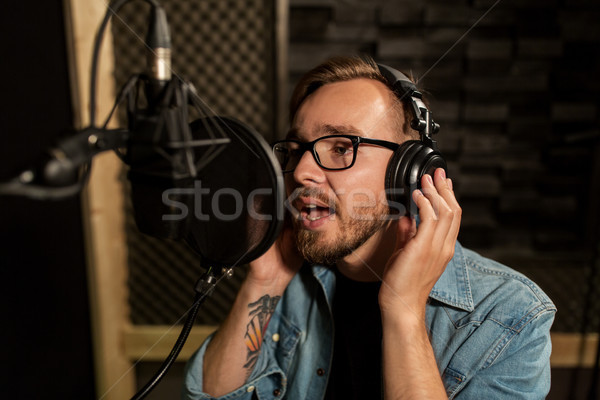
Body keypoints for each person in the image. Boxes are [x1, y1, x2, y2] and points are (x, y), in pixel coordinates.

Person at [182, 55, 556, 399]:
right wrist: (264, 280)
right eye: (297, 149)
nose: (300, 172)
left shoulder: (511, 315)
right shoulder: (287, 281)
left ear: (408, 172)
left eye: (341, 147)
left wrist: (404, 309)